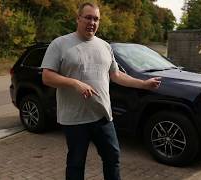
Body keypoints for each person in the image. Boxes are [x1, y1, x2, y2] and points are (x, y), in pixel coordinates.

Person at [41, 2, 161, 180]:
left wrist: (143, 84)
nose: (92, 22)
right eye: (88, 17)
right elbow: (47, 77)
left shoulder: (105, 46)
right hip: (75, 119)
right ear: (78, 19)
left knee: (112, 158)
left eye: (96, 19)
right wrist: (75, 83)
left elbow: (117, 75)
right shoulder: (60, 44)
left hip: (102, 116)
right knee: (76, 163)